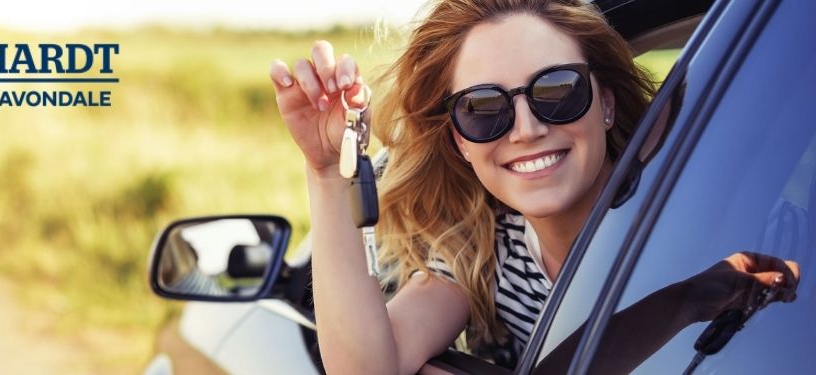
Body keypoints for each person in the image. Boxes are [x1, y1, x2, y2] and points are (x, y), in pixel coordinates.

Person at [267, 0, 801, 373]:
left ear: (607, 103)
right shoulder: (482, 253)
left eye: (557, 90)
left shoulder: (754, 227)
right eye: (483, 109)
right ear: (458, 141)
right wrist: (325, 171)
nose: (527, 129)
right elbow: (367, 370)